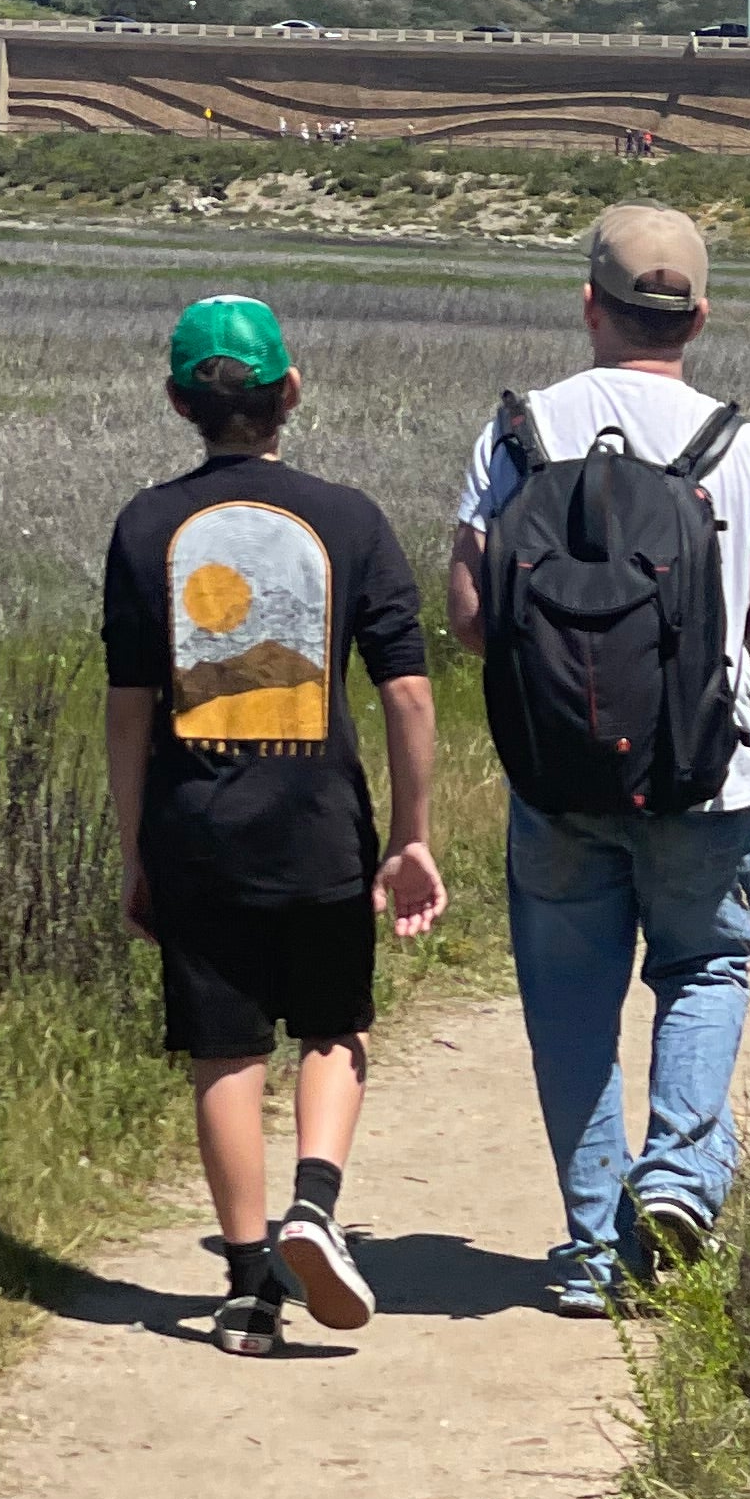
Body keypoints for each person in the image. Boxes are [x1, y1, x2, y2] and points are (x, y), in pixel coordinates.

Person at [448, 204, 750, 1315]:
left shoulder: (517, 436)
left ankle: (591, 1259)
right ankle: (678, 1181)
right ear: (698, 318)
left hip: (556, 777)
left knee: (571, 1010)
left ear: (589, 306)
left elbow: (469, 618)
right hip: (707, 774)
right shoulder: (742, 448)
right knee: (703, 969)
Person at [103, 294, 446, 1358]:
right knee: (334, 1025)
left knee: (224, 1051)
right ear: (291, 389)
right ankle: (316, 1205)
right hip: (320, 826)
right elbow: (408, 692)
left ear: (178, 403)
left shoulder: (145, 526)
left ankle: (250, 1286)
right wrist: (411, 834)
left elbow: (128, 710)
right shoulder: (349, 518)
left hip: (195, 831)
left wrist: (134, 849)